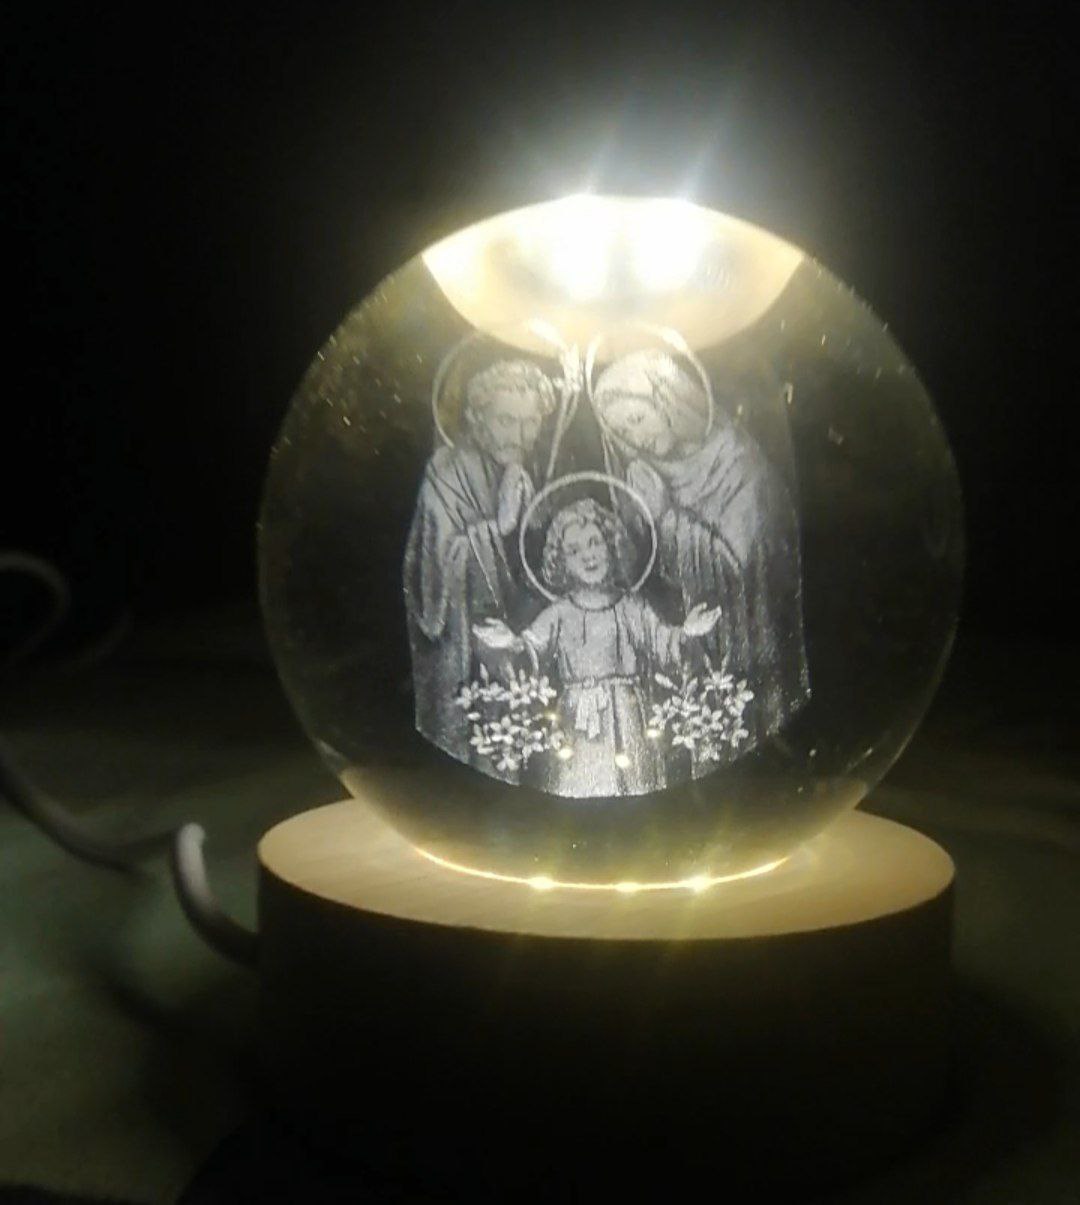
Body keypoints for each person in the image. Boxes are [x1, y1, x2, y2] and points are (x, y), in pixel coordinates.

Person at [592, 348, 810, 745]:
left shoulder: (740, 466)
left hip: (748, 639)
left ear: (670, 403)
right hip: (682, 646)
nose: (636, 439)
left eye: (637, 419)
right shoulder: (646, 474)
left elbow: (743, 571)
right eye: (623, 432)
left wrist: (667, 517)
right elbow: (641, 573)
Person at [475, 497, 721, 798]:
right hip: (576, 717)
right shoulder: (559, 613)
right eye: (574, 550)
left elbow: (663, 643)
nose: (587, 556)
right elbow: (531, 650)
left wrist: (687, 632)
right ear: (560, 560)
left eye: (595, 542)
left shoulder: (631, 606)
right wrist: (510, 642)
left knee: (635, 785)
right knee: (576, 781)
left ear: (612, 545)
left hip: (629, 715)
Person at [403, 359, 556, 765]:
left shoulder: (522, 468)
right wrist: (497, 528)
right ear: (475, 417)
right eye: (507, 421)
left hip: (517, 636)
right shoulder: (446, 471)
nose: (520, 436)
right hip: (464, 645)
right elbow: (435, 571)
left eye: (531, 422)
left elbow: (536, 558)